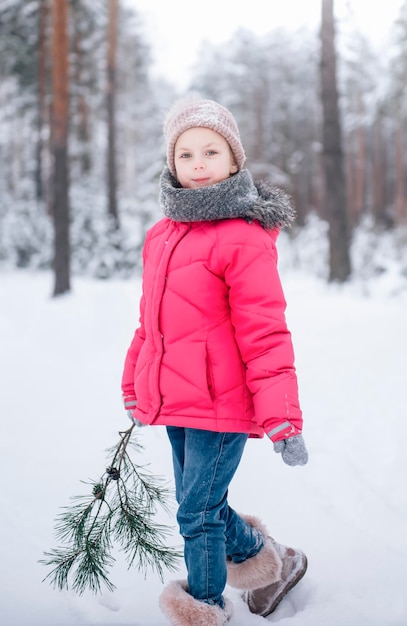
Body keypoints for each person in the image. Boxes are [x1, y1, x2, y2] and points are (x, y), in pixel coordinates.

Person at [121, 96, 309, 626]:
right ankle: (272, 563)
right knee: (199, 502)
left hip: (224, 402)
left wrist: (282, 419)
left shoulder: (245, 238)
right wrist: (137, 384)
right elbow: (150, 325)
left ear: (234, 161)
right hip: (178, 401)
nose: (198, 164)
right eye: (186, 154)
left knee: (196, 511)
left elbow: (265, 332)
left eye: (211, 151)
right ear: (172, 163)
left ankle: (204, 609)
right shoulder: (161, 237)